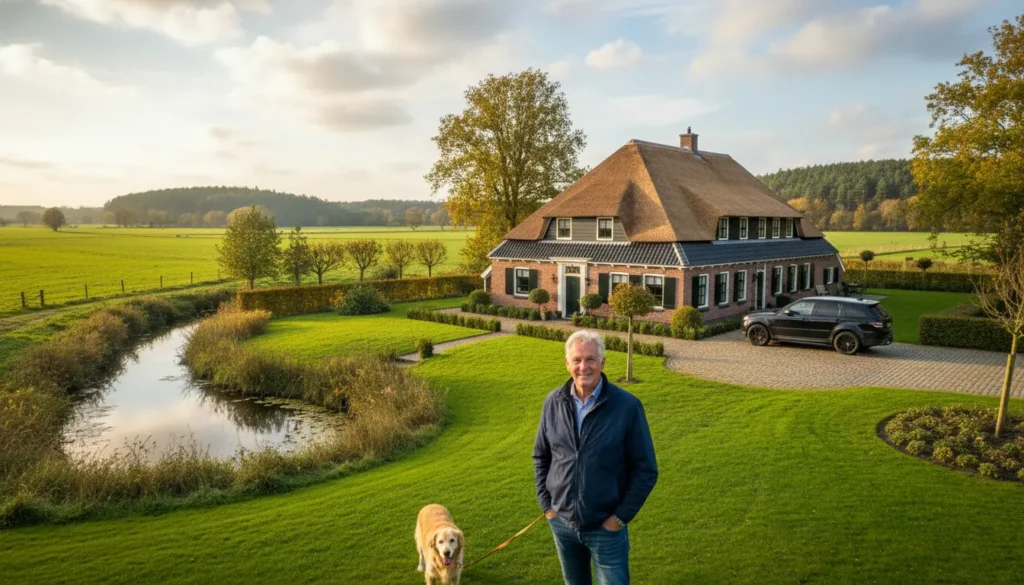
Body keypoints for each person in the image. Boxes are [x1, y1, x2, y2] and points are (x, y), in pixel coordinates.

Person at [533, 330, 658, 585]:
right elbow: (541, 455)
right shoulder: (553, 402)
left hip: (606, 529)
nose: (583, 367)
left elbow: (645, 470)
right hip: (562, 524)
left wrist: (619, 517)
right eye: (577, 360)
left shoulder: (627, 406)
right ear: (567, 363)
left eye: (590, 359)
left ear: (602, 362)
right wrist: (547, 505)